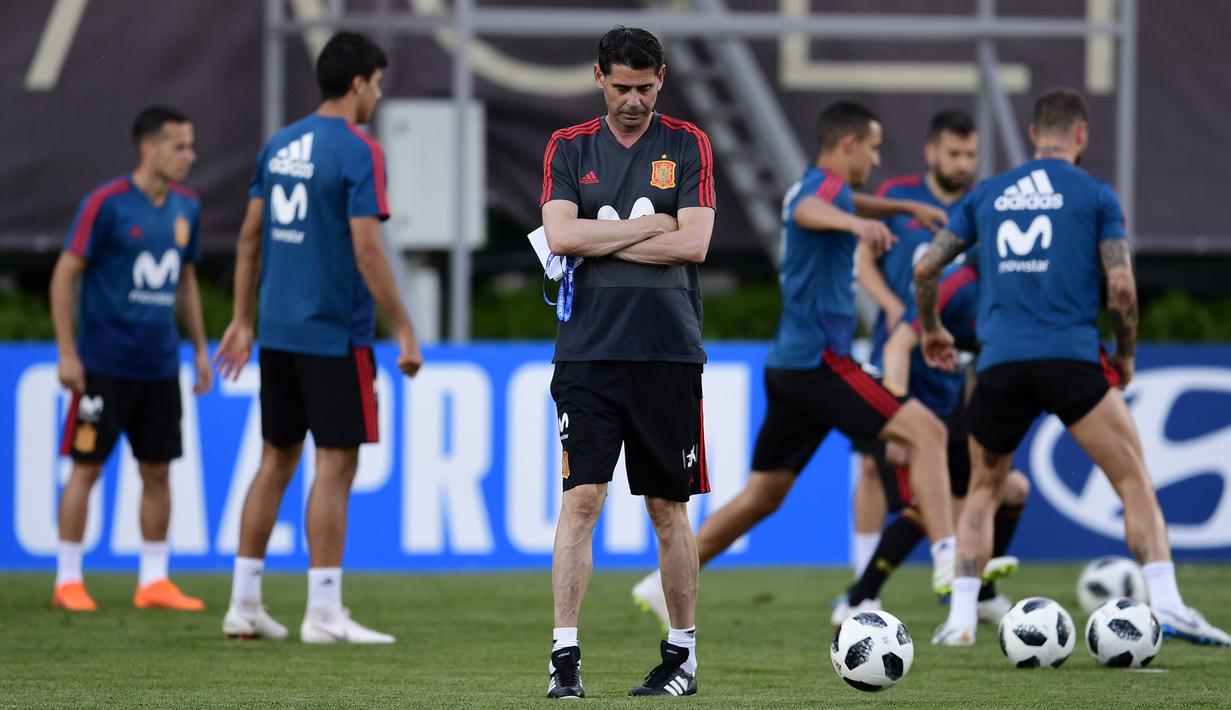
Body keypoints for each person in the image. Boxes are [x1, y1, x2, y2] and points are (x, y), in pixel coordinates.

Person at [633, 100, 961, 632]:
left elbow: (833, 201)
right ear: (848, 144)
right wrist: (857, 224)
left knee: (763, 496)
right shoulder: (820, 194)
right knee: (928, 432)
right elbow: (814, 210)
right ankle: (949, 557)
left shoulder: (820, 186)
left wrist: (900, 209)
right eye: (873, 148)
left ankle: (657, 582)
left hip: (789, 366)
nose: (877, 159)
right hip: (821, 363)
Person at [919, 87, 1230, 647]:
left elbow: (926, 267)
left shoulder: (987, 193)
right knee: (1133, 480)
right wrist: (1125, 351)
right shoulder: (1095, 194)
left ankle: (960, 619)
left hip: (1001, 363)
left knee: (984, 490)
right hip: (1071, 359)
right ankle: (1170, 604)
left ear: (1034, 133)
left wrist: (931, 328)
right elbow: (1121, 285)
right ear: (1081, 134)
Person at [214, 31, 423, 644]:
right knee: (335, 465)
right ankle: (325, 612)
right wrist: (405, 328)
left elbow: (249, 237)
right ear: (358, 83)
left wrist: (242, 319)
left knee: (275, 459)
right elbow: (368, 249)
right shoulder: (360, 150)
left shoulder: (279, 145)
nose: (378, 96)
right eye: (377, 85)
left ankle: (244, 603)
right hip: (335, 334)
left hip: (278, 332)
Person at [539, 26, 715, 699]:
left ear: (661, 78)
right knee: (581, 497)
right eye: (621, 87)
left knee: (667, 507)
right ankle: (564, 657)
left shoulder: (688, 143)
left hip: (667, 351)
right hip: (587, 353)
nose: (634, 100)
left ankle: (681, 657)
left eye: (645, 87)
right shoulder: (568, 146)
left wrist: (598, 239)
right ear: (599, 78)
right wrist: (649, 226)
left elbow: (694, 245)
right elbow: (559, 234)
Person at [49, 105, 211, 612]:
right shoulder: (107, 204)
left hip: (159, 365)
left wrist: (200, 349)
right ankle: (68, 580)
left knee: (158, 471)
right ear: (149, 148)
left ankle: (154, 581)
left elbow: (185, 279)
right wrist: (67, 351)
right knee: (87, 468)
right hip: (103, 364)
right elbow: (65, 272)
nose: (190, 155)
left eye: (191, 146)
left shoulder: (187, 207)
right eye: (179, 146)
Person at [832, 259, 1027, 627]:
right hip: (909, 405)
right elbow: (896, 347)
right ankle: (859, 597)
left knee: (1013, 490)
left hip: (949, 413)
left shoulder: (1010, 292)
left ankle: (980, 592)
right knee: (931, 505)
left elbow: (978, 366)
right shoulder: (958, 284)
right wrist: (898, 419)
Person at [848, 109, 980, 579]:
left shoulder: (979, 207)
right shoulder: (897, 197)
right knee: (872, 465)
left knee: (959, 473)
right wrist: (888, 305)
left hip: (949, 363)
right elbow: (864, 258)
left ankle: (965, 581)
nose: (963, 163)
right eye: (954, 153)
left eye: (970, 155)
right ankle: (862, 579)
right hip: (894, 352)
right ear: (931, 152)